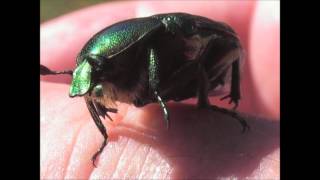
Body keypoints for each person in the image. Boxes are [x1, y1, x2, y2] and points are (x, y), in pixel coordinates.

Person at [41, 1, 279, 179]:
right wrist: (104, 137)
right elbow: (90, 88)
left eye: (97, 67)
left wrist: (155, 89)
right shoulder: (104, 68)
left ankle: (205, 103)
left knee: (218, 55)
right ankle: (106, 132)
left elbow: (226, 51)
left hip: (193, 65)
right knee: (91, 89)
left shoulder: (160, 36)